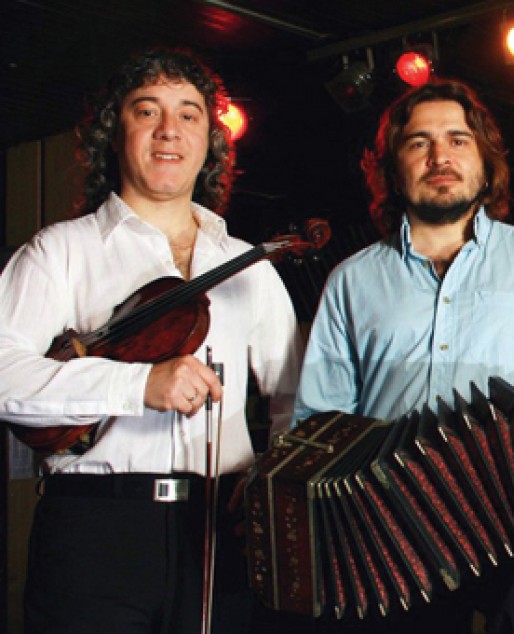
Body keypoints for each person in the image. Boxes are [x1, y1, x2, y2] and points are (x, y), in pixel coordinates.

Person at [294, 77, 514, 634]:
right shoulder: (350, 282)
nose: (439, 156)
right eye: (418, 142)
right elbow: (318, 426)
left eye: (457, 140)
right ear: (391, 168)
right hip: (391, 530)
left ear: (485, 160)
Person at [0, 49, 303, 633]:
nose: (170, 130)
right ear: (116, 135)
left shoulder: (249, 266)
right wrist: (138, 382)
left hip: (221, 533)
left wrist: (267, 489)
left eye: (189, 114)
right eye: (148, 111)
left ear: (210, 141)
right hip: (96, 530)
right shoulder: (59, 250)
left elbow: (295, 398)